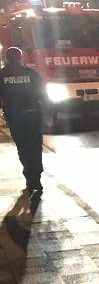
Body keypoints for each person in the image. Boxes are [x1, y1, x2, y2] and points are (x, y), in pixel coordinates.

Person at [0, 47, 45, 195]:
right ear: (20, 57)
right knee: (35, 146)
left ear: (7, 58)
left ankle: (29, 177)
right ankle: (36, 176)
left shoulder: (2, 76)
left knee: (22, 147)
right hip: (32, 116)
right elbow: (42, 94)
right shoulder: (31, 74)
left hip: (15, 118)